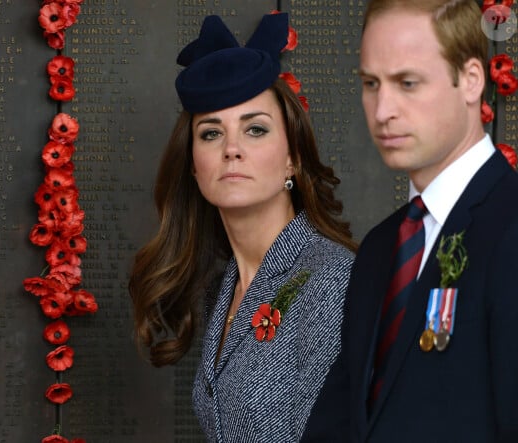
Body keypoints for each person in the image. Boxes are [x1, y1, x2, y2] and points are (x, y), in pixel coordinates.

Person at [128, 12, 357, 442]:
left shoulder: (330, 280)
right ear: (194, 167)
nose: (232, 149)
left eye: (255, 129)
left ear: (293, 158)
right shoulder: (227, 283)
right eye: (211, 134)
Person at [302, 0, 518, 441]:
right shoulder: (382, 248)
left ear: (472, 80)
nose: (383, 111)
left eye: (407, 83)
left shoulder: (514, 229)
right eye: (370, 83)